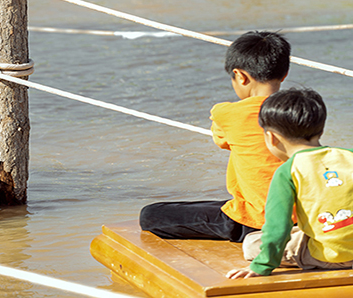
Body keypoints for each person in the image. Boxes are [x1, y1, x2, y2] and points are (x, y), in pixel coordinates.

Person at [139, 31, 291, 242]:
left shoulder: (227, 113)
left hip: (255, 220)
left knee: (151, 214)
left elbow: (221, 140)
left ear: (240, 76)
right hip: (299, 215)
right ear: (284, 74)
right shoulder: (301, 109)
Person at [227, 88, 353, 278]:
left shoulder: (288, 171)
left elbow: (278, 225)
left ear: (271, 137)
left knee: (252, 242)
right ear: (321, 129)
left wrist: (261, 266)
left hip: (332, 257)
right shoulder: (348, 155)